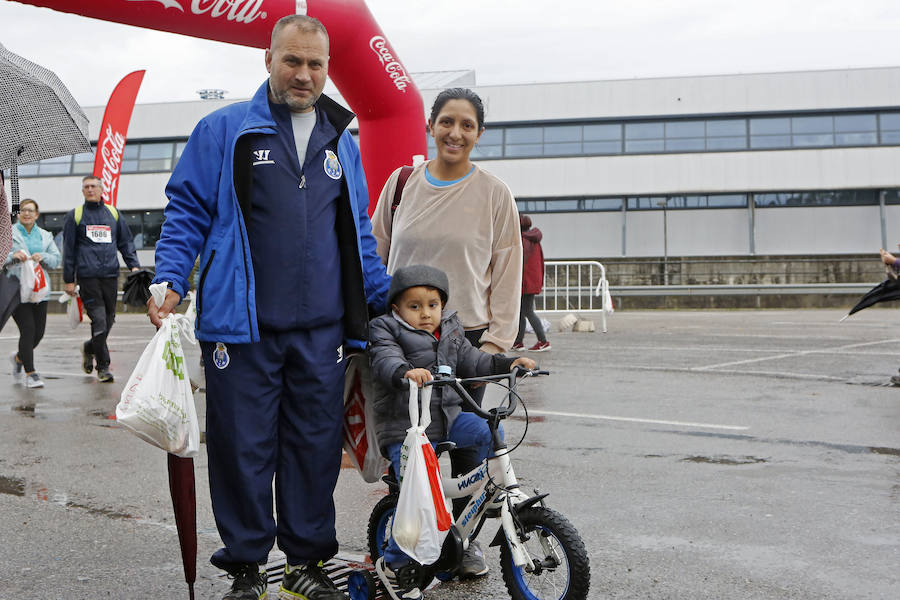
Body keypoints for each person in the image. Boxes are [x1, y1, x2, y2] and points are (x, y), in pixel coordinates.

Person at [146, 15, 391, 600]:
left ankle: (306, 563)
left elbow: (356, 230)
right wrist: (170, 279)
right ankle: (248, 568)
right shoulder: (224, 130)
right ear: (268, 59)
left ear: (328, 68)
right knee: (242, 451)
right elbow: (186, 212)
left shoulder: (341, 140)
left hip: (322, 331)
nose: (304, 74)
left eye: (315, 64)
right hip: (241, 327)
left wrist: (384, 301)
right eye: (293, 61)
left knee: (313, 450)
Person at [371, 87, 523, 578]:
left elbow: (507, 268)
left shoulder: (494, 193)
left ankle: (458, 542)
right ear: (431, 125)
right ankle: (411, 542)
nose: (456, 133)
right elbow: (375, 257)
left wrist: (499, 342)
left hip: (468, 340)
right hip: (402, 340)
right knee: (415, 445)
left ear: (479, 133)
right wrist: (375, 336)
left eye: (467, 125)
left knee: (467, 445)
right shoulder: (401, 185)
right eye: (447, 122)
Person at [367, 265, 535, 600]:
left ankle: (491, 494)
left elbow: (474, 362)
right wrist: (406, 372)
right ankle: (397, 565)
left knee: (491, 430)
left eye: (432, 305)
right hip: (407, 427)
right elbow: (384, 360)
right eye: (414, 306)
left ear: (442, 306)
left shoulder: (452, 329)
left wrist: (508, 364)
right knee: (418, 499)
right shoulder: (384, 328)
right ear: (397, 308)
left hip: (448, 417)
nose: (426, 313)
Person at [62, 176, 140, 383]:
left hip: (110, 275)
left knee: (109, 319)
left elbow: (126, 242)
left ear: (101, 189)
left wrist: (134, 265)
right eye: (86, 187)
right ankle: (103, 367)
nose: (90, 190)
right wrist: (69, 279)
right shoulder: (75, 216)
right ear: (82, 191)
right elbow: (68, 250)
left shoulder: (113, 213)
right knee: (98, 320)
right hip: (87, 277)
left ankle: (89, 347)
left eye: (93, 186)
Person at [5, 199, 60, 388]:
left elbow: (56, 259)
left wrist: (43, 256)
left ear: (36, 214)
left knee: (38, 333)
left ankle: (19, 358)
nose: (26, 213)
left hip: (40, 291)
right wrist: (12, 257)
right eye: (22, 210)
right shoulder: (8, 233)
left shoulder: (45, 236)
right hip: (17, 290)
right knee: (27, 330)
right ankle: (31, 373)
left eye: (30, 210)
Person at [512, 214, 551, 352]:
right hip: (532, 281)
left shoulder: (521, 240)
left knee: (527, 311)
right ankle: (518, 341)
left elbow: (519, 263)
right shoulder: (534, 239)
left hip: (525, 282)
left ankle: (543, 341)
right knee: (522, 312)